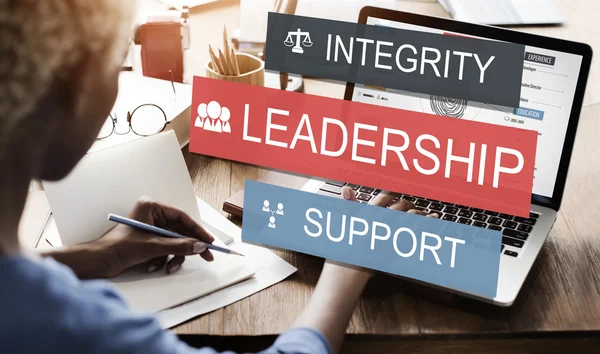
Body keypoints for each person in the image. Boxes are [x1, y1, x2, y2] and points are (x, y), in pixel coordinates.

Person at [0, 1, 436, 353]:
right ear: (69, 90)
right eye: (116, 65)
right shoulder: (79, 329)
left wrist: (97, 255)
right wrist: (346, 265)